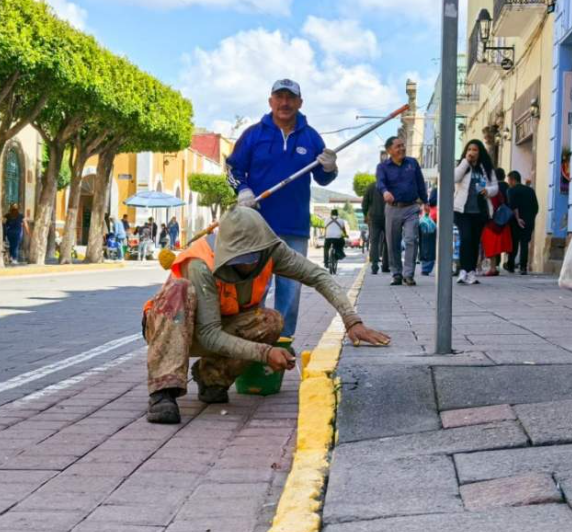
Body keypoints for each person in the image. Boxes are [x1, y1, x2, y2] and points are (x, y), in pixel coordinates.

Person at [142, 207, 390, 424]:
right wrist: (264, 353)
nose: (249, 265)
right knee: (178, 288)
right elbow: (208, 334)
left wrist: (351, 320)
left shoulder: (271, 251)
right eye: (241, 260)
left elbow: (318, 276)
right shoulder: (201, 263)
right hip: (173, 328)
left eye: (253, 258)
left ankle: (212, 378)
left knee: (270, 321)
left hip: (218, 326)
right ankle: (163, 392)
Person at [226, 79, 338, 338]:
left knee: (291, 291)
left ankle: (282, 342)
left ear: (300, 102)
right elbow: (232, 169)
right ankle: (251, 342)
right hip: (257, 227)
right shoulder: (253, 134)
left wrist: (330, 167)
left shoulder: (311, 137)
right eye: (279, 97)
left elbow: (323, 179)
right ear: (271, 101)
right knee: (254, 289)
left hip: (295, 227)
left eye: (290, 98)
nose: (285, 103)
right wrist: (242, 190)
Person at [377, 136, 428, 286]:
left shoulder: (412, 163)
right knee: (393, 243)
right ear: (389, 150)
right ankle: (396, 274)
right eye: (398, 146)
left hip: (411, 207)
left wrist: (425, 201)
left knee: (411, 239)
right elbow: (380, 182)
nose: (402, 148)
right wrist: (385, 192)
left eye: (402, 145)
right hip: (393, 208)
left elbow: (420, 183)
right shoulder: (383, 167)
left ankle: (409, 274)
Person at [454, 139, 498, 285]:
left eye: (475, 150)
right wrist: (466, 162)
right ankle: (463, 270)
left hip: (479, 211)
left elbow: (495, 187)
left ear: (480, 152)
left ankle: (471, 271)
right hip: (462, 210)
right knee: (465, 238)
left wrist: (488, 190)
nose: (472, 152)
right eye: (469, 149)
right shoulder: (463, 165)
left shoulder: (486, 168)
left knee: (474, 241)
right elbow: (455, 178)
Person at [505, 170, 539, 274]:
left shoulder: (511, 191)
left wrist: (518, 218)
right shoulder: (530, 190)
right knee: (524, 243)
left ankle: (510, 265)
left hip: (515, 221)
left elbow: (513, 206)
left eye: (509, 180)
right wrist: (530, 218)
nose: (509, 183)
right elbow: (536, 207)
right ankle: (523, 267)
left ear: (512, 180)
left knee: (514, 244)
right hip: (528, 221)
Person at [481, 167, 513, 276]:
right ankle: (494, 267)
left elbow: (491, 206)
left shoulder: (492, 190)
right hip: (500, 221)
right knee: (494, 245)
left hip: (492, 222)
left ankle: (492, 267)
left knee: (490, 245)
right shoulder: (504, 188)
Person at [362, 177, 390, 275]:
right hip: (388, 217)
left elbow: (364, 203)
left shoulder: (371, 187)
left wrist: (365, 215)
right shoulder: (389, 186)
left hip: (373, 218)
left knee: (374, 242)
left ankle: (374, 267)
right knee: (388, 242)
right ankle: (386, 266)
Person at [418, 203, 437, 276]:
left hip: (426, 231)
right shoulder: (428, 219)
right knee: (428, 247)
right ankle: (426, 268)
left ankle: (425, 268)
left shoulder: (424, 219)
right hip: (429, 232)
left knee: (425, 247)